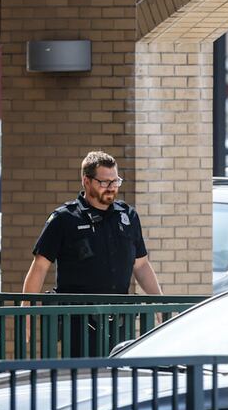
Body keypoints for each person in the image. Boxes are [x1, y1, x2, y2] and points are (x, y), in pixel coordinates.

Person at [23, 150, 163, 355]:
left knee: (117, 378)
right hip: (78, 321)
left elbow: (141, 265)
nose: (111, 188)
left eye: (115, 182)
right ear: (86, 181)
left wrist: (159, 305)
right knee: (83, 379)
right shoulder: (64, 219)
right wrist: (26, 314)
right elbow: (39, 267)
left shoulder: (128, 216)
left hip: (119, 320)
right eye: (104, 182)